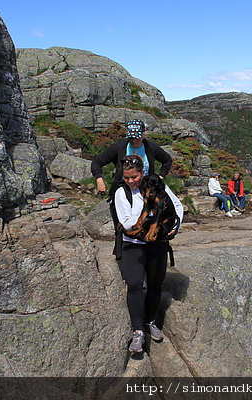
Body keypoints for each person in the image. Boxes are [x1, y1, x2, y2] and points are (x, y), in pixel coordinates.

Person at [114, 155, 183, 353]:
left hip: (158, 243)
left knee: (155, 284)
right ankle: (138, 330)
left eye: (134, 177)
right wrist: (153, 219)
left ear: (142, 173)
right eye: (126, 177)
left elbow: (177, 207)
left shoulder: (157, 186)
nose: (130, 181)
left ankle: (150, 321)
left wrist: (175, 226)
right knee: (135, 285)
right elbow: (127, 223)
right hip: (133, 245)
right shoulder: (122, 193)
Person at [91, 119, 173, 258]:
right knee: (122, 227)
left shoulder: (150, 147)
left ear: (143, 134)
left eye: (137, 137)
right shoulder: (120, 147)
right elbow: (97, 162)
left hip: (147, 192)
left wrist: (160, 177)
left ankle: (152, 256)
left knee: (151, 220)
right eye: (131, 137)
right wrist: (99, 179)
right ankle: (123, 257)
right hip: (124, 191)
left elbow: (167, 160)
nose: (134, 140)